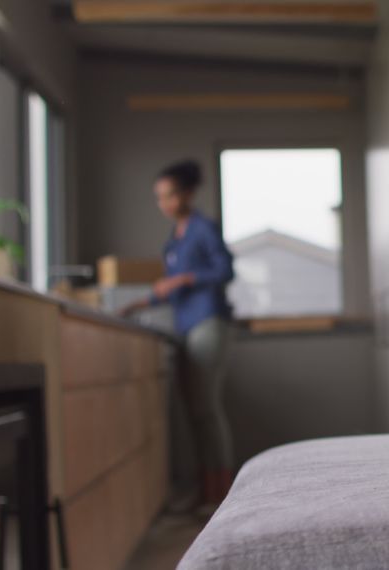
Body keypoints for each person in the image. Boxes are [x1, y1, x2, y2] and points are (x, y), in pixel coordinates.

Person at [122, 159, 236, 508]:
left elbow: (225, 269)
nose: (165, 203)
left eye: (170, 195)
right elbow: (167, 288)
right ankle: (205, 491)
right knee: (194, 412)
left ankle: (222, 495)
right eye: (159, 197)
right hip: (186, 327)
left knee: (206, 409)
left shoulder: (203, 228)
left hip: (208, 324)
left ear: (188, 193)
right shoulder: (174, 239)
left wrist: (185, 278)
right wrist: (134, 304)